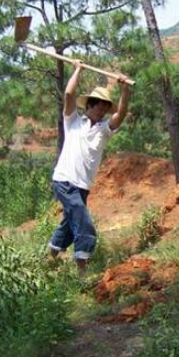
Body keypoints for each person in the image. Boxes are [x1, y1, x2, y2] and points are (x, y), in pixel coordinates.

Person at [48, 60, 131, 275]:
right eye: (99, 106)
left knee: (68, 224)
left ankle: (48, 262)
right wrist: (78, 69)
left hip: (83, 185)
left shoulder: (104, 130)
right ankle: (82, 272)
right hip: (65, 180)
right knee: (84, 224)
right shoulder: (73, 122)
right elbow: (68, 95)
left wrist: (124, 89)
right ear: (90, 105)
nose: (102, 110)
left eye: (105, 107)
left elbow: (121, 114)